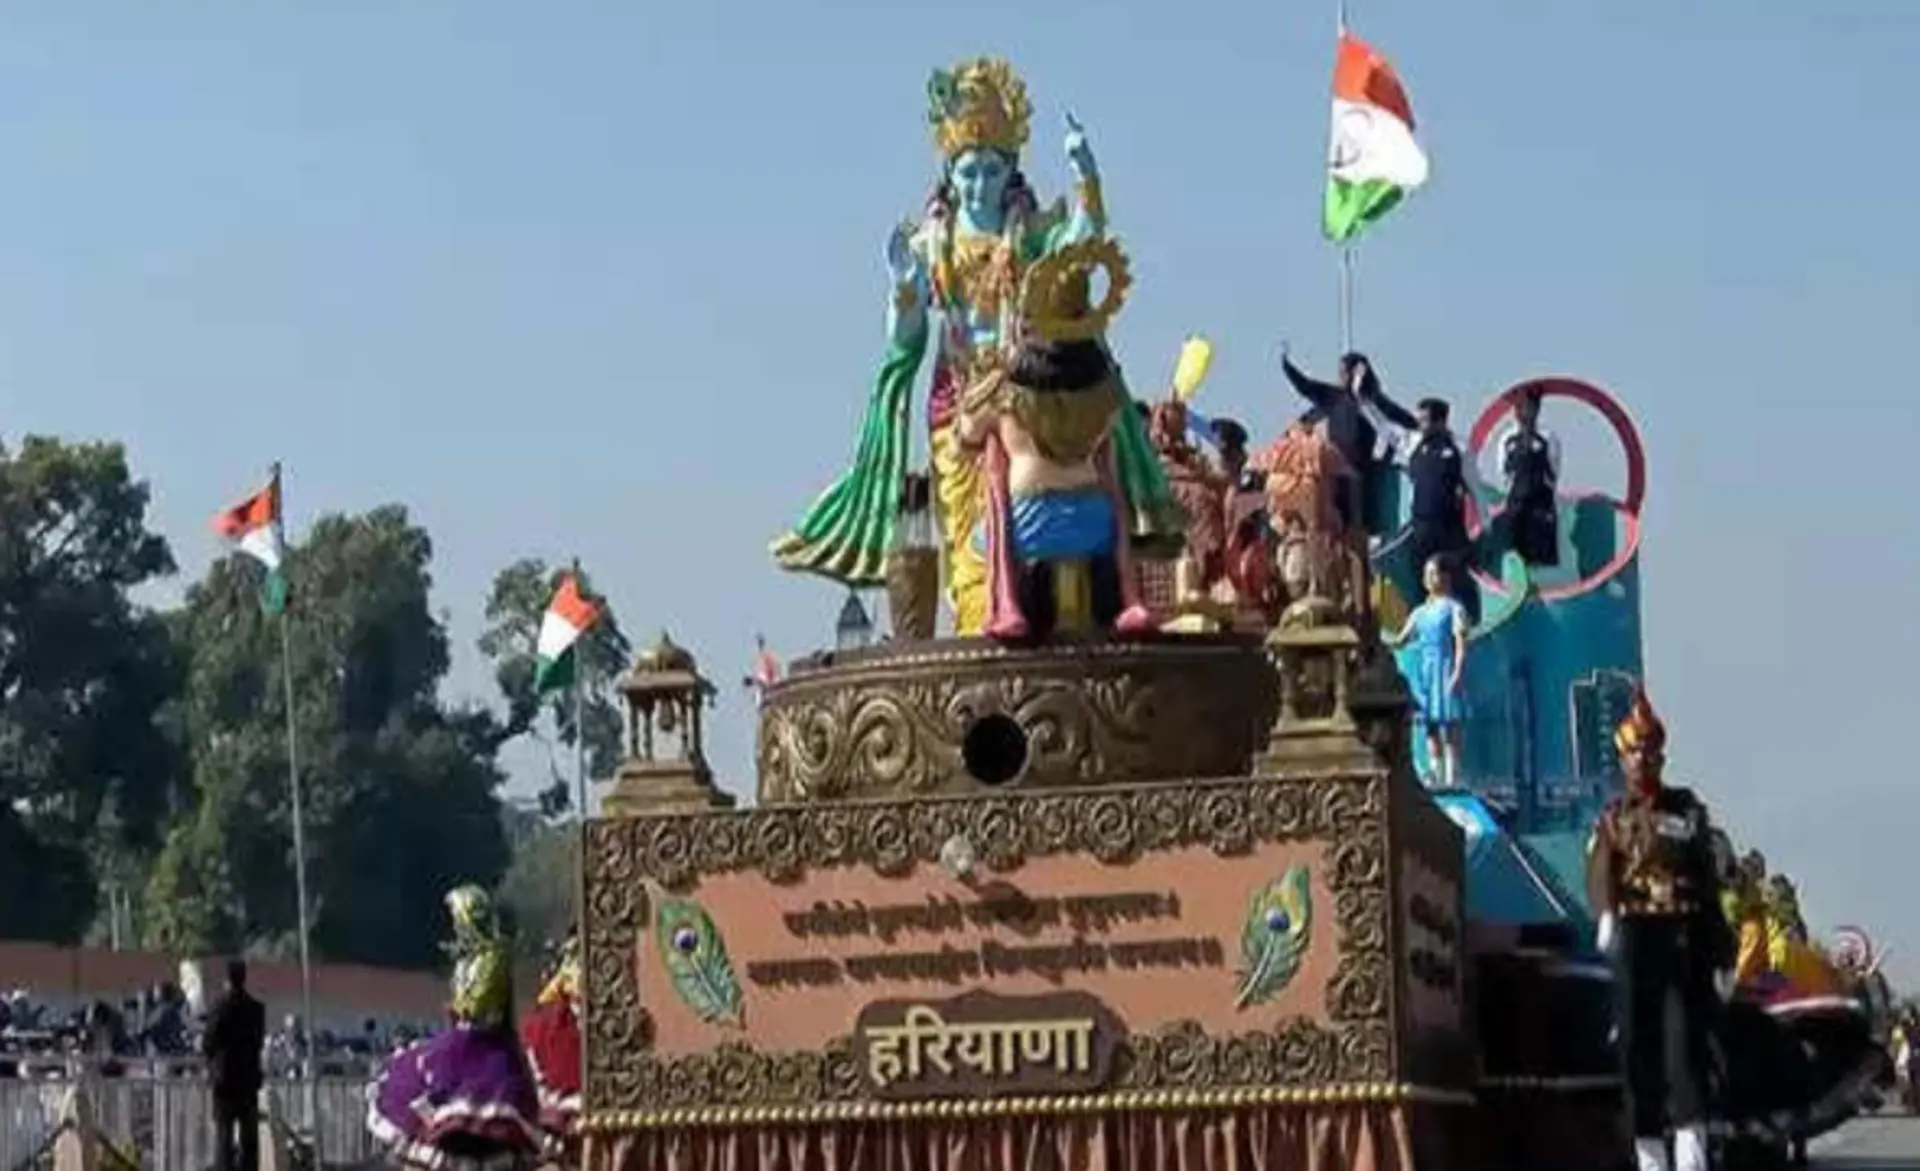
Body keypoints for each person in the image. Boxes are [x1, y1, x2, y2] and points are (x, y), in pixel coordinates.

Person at [1585, 692, 1735, 1171]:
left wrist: (1722, 953)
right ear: (1621, 757)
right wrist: (1607, 914)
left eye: (1649, 752)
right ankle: (1650, 1159)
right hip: (1634, 943)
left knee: (1683, 1052)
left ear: (1661, 756)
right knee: (1636, 1054)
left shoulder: (1687, 812)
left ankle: (1691, 1159)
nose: (1642, 761)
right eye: (1633, 752)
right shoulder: (1613, 817)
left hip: (1682, 944)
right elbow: (1600, 869)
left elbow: (1708, 887)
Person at [369, 886, 542, 1171]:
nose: (456, 929)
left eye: (458, 921)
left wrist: (461, 1006)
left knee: (472, 1095)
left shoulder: (494, 956)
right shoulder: (465, 960)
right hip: (459, 1036)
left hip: (483, 1041)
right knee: (413, 1073)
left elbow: (481, 1001)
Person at [1279, 347, 1419, 538]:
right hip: (1334, 472)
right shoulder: (1333, 397)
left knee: (1357, 525)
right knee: (1332, 521)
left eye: (1344, 372)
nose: (1340, 377)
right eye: (1340, 372)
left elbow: (1406, 420)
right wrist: (1287, 365)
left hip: (1360, 472)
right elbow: (1305, 386)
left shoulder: (1372, 400)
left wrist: (1390, 453)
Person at [1391, 556, 1469, 788]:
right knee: (1429, 725)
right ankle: (1434, 772)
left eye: (1433, 573)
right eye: (1426, 574)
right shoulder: (1419, 613)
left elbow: (1461, 645)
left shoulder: (1455, 609)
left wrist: (1457, 672)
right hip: (1425, 673)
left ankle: (1452, 775)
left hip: (1444, 668)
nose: (1429, 578)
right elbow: (1400, 640)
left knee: (1449, 722)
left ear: (1445, 577)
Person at [1401, 397, 1478, 623]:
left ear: (1440, 422)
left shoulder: (1459, 448)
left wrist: (1485, 525)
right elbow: (1387, 422)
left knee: (1458, 585)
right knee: (1419, 585)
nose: (1420, 425)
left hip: (1450, 531)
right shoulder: (1414, 444)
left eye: (1424, 421)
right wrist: (1369, 399)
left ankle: (1468, 630)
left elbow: (1476, 489)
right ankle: (1418, 632)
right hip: (1421, 529)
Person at [201, 959, 266, 1171]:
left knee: (224, 1135)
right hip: (248, 1078)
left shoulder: (218, 1008)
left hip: (224, 1079)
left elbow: (208, 1042)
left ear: (226, 979)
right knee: (249, 1135)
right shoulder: (256, 1009)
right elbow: (258, 1042)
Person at [1495, 387, 1561, 566]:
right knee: (1513, 561)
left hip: (1540, 508)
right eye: (1517, 407)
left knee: (1540, 562)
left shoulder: (1548, 437)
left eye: (1526, 407)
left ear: (1536, 408)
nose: (1521, 412)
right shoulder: (1507, 438)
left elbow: (1554, 471)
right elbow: (1503, 472)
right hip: (1515, 507)